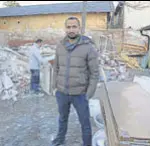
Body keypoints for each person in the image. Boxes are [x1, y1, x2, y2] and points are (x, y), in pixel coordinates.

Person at [52, 16, 99, 146]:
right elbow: (55, 68)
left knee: (85, 123)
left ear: (79, 28)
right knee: (62, 119)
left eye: (74, 26)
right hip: (62, 93)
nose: (71, 29)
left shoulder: (88, 47)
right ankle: (59, 140)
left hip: (80, 94)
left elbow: (94, 73)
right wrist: (54, 87)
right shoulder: (60, 46)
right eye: (68, 27)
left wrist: (88, 95)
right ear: (65, 28)